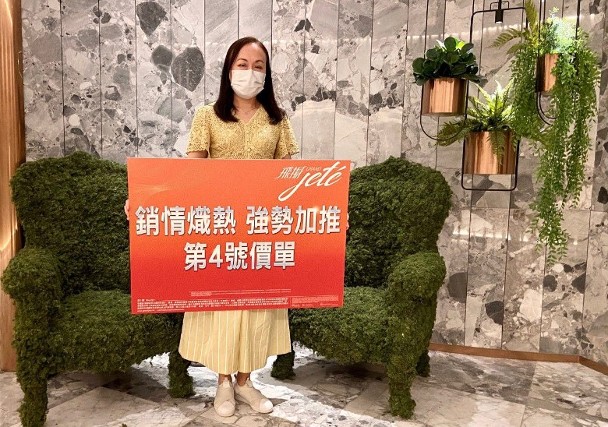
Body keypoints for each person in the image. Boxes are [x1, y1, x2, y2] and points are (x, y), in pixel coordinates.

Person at [125, 36, 298, 417]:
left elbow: (294, 180)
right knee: (222, 307)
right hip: (219, 230)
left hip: (260, 231)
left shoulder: (278, 120)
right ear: (228, 70)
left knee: (254, 310)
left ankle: (245, 382)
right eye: (242, 64)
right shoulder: (207, 116)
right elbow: (189, 176)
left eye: (258, 66)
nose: (250, 72)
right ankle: (222, 382)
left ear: (267, 74)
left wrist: (327, 208)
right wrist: (146, 198)